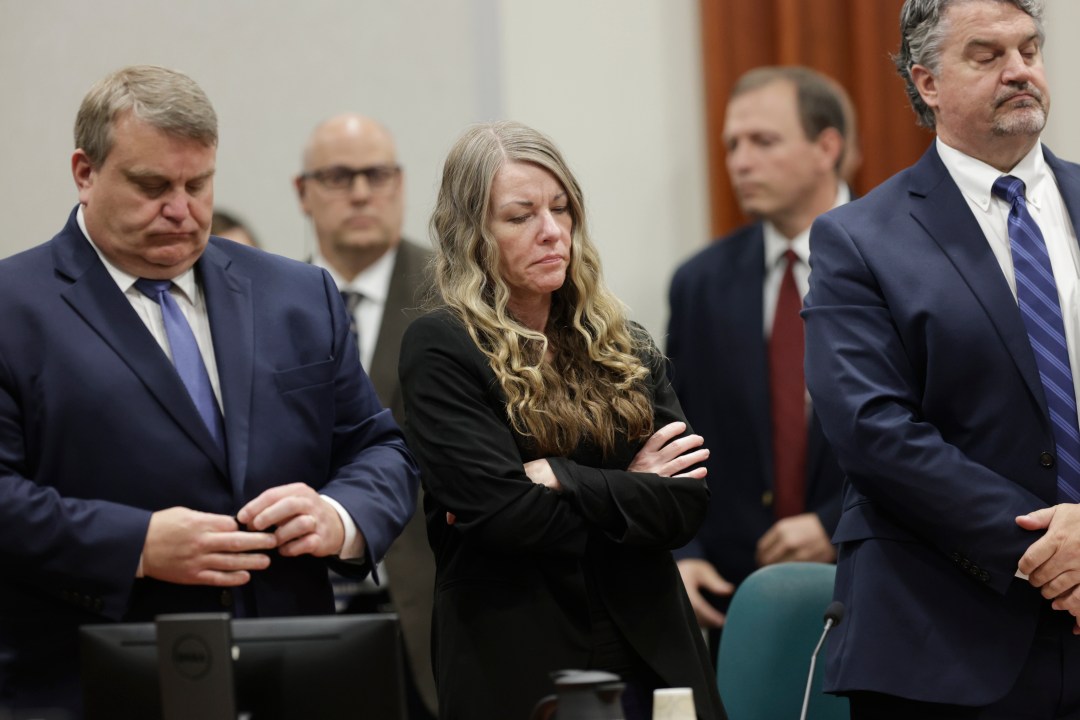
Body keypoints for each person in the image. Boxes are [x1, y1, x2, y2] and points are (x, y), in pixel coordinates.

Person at [0, 65, 419, 717]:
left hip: (295, 671)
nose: (181, 209)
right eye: (152, 186)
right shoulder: (12, 307)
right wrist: (134, 544)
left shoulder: (297, 296)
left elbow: (379, 447)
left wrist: (338, 516)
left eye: (198, 184)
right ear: (84, 172)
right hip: (92, 678)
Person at [803, 0, 1080, 716]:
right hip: (944, 636)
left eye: (1029, 50)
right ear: (926, 82)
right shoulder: (858, 239)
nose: (1019, 71)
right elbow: (871, 429)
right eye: (987, 55)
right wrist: (1047, 548)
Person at [399, 121, 726, 720]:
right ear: (472, 233)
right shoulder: (441, 347)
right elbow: (504, 519)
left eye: (561, 208)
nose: (552, 232)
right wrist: (631, 486)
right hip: (519, 656)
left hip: (651, 646)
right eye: (520, 216)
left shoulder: (622, 341)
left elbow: (684, 505)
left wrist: (559, 476)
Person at [667, 66, 850, 641]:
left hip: (876, 581)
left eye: (763, 142)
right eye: (732, 145)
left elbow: (940, 424)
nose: (740, 161)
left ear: (827, 146)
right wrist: (683, 549)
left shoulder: (908, 258)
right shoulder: (700, 282)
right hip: (734, 601)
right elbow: (675, 427)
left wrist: (836, 525)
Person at [294, 113, 437, 718]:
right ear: (303, 192)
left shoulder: (456, 292)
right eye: (338, 176)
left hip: (431, 608)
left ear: (400, 184)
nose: (359, 192)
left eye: (376, 174)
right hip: (305, 615)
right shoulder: (271, 303)